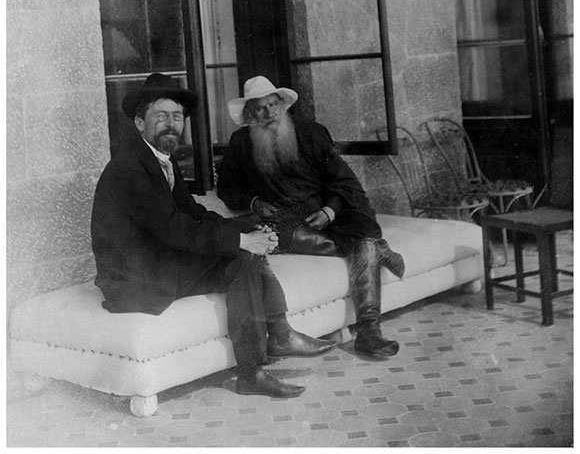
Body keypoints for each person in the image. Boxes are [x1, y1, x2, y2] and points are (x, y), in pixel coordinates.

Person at [91, 72, 335, 399]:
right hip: (133, 280)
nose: (171, 124)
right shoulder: (129, 168)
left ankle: (267, 350)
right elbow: (174, 229)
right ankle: (273, 343)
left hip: (158, 263)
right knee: (240, 256)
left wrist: (246, 230)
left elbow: (191, 212)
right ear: (139, 123)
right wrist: (239, 241)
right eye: (160, 116)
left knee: (244, 260)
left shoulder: (162, 159)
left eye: (177, 117)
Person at [217, 76, 405, 361]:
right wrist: (254, 202)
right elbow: (228, 188)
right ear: (249, 115)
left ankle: (368, 331)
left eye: (273, 105)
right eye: (260, 108)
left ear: (284, 106)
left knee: (359, 230)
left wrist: (330, 210)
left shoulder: (311, 133)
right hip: (283, 216)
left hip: (325, 210)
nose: (268, 113)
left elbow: (345, 181)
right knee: (362, 245)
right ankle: (376, 252)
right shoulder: (241, 144)